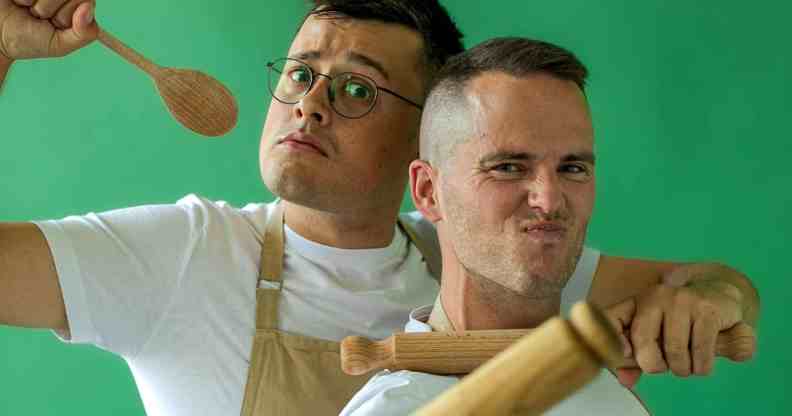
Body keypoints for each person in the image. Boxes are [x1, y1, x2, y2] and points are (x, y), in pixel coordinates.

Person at [0, 1, 758, 416]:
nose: (311, 103)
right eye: (300, 72)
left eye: (357, 88)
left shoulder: (473, 252)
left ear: (426, 151)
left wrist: (704, 303)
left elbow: (720, 285)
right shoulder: (186, 253)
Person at [340, 37, 758, 415]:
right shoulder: (396, 407)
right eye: (507, 167)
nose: (549, 199)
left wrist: (713, 298)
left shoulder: (609, 395)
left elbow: (722, 284)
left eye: (572, 168)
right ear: (429, 191)